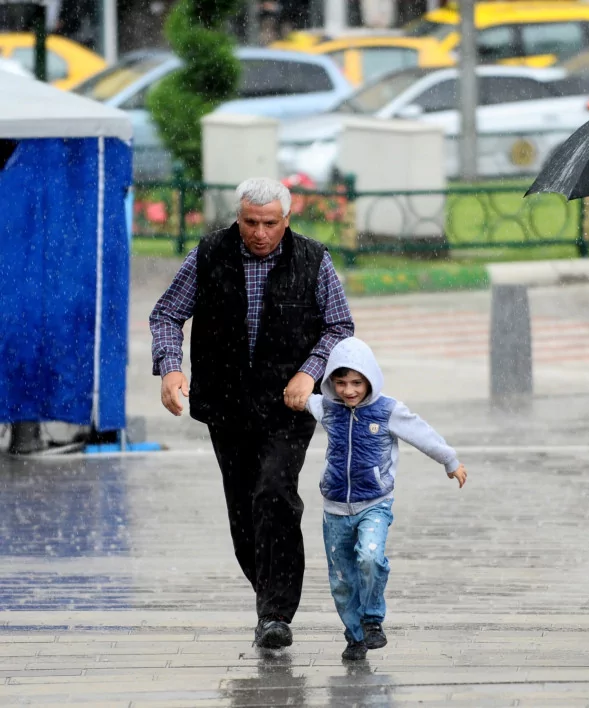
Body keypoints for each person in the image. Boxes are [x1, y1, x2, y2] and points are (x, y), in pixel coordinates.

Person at [150, 177, 355, 649]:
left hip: (288, 406)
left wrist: (309, 373)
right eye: (249, 223)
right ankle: (267, 596)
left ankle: (277, 612)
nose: (259, 233)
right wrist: (169, 368)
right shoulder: (208, 255)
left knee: (275, 493)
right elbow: (166, 314)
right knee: (243, 511)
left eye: (269, 224)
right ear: (237, 218)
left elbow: (339, 326)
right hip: (226, 405)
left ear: (287, 221)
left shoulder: (313, 260)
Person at [305, 337, 467, 661]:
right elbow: (294, 397)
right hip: (334, 507)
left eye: (356, 383)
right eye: (341, 383)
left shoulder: (387, 409)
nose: (349, 390)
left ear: (369, 380)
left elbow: (421, 433)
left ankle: (372, 620)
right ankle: (354, 638)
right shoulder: (327, 407)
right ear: (331, 383)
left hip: (374, 503)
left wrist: (450, 461)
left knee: (370, 557)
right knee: (342, 580)